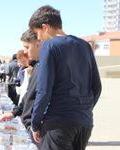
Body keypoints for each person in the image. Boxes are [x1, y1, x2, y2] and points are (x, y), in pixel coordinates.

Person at [29, 5, 102, 150]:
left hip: (59, 123)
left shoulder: (49, 46)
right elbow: (97, 87)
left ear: (45, 27)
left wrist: (35, 123)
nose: (38, 38)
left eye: (37, 32)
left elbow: (44, 90)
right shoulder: (84, 45)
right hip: (84, 123)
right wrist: (82, 110)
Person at [0, 29, 40, 148]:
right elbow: (28, 95)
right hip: (29, 123)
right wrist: (14, 113)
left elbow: (41, 96)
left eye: (27, 47)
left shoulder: (41, 67)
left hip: (38, 126)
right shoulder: (35, 67)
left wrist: (36, 124)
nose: (26, 51)